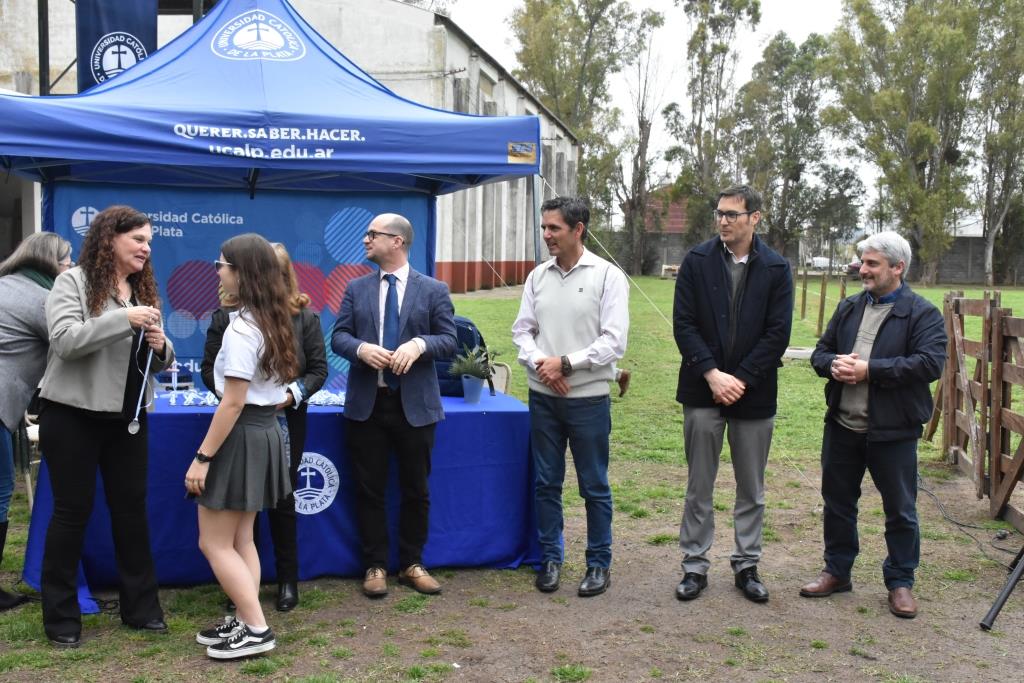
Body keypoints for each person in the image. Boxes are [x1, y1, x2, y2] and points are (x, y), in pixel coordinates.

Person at [37, 206, 173, 647]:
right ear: (109, 239)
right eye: (137, 239)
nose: (146, 248)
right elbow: (65, 342)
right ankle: (61, 619)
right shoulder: (71, 282)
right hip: (72, 415)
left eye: (149, 241)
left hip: (128, 419)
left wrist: (162, 345)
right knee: (71, 513)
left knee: (132, 514)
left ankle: (142, 610)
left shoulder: (142, 290)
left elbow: (157, 363)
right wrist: (123, 320)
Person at [801, 231, 946, 619]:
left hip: (893, 432)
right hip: (842, 427)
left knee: (900, 508)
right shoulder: (849, 308)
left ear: (898, 268)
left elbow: (929, 364)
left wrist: (870, 371)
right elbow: (819, 353)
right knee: (838, 502)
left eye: (872, 264)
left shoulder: (922, 313)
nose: (862, 269)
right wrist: (831, 365)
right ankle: (837, 571)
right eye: (862, 262)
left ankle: (900, 582)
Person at [673, 184, 793, 603]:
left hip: (754, 393)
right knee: (698, 484)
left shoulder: (777, 268)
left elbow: (778, 333)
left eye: (732, 214)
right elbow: (684, 325)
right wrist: (713, 375)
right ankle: (694, 565)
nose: (723, 220)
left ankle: (747, 564)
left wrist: (739, 377)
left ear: (755, 218)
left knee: (751, 488)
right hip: (703, 390)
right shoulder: (696, 261)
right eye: (719, 213)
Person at [331, 213, 456, 598]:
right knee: (369, 489)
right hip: (368, 405)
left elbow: (449, 341)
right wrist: (361, 349)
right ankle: (375, 565)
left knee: (415, 489)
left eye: (373, 234)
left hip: (415, 407)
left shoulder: (434, 290)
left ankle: (412, 564)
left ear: (397, 241)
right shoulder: (356, 288)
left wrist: (419, 345)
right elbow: (339, 337)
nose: (366, 240)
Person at [186, 234, 297, 659]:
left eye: (223, 265)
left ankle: (255, 626)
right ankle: (245, 617)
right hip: (263, 430)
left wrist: (202, 458)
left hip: (243, 434)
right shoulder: (270, 317)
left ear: (242, 273)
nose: (218, 271)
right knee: (241, 539)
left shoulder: (244, 328)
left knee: (214, 543)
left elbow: (232, 402)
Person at [512, 196, 629, 597]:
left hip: (588, 400)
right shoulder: (537, 277)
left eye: (554, 228)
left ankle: (599, 563)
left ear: (578, 229)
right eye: (544, 228)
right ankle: (550, 558)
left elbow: (614, 342)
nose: (546, 235)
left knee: (593, 484)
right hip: (543, 398)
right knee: (546, 482)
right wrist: (544, 364)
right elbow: (521, 332)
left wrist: (566, 363)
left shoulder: (607, 276)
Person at [201, 242, 328, 612]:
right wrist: (234, 395)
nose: (218, 272)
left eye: (223, 265)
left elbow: (317, 369)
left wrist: (289, 394)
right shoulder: (230, 318)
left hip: (277, 421)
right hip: (245, 421)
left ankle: (284, 583)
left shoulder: (298, 318)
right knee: (242, 517)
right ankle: (245, 596)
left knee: (280, 503)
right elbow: (214, 372)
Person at [0, 232, 73, 611]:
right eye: (66, 261)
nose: (71, 267)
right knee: (0, 492)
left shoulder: (5, 284)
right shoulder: (42, 299)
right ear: (49, 263)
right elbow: (74, 345)